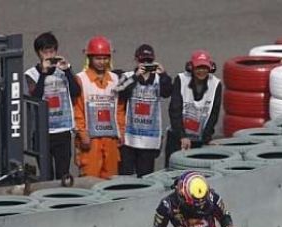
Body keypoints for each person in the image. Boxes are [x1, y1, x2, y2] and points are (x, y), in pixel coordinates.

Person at [25, 32, 81, 180]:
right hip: (42, 132)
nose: (49, 55)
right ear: (38, 53)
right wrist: (43, 74)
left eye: (52, 51)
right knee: (46, 176)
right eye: (45, 52)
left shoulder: (63, 71)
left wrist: (67, 70)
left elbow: (76, 91)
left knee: (63, 174)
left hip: (62, 130)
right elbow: (35, 97)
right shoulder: (32, 74)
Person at [73, 35, 126, 179]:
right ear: (89, 58)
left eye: (105, 58)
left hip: (111, 139)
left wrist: (121, 130)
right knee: (89, 179)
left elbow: (119, 108)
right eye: (98, 58)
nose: (102, 62)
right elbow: (77, 110)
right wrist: (82, 134)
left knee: (111, 181)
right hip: (90, 141)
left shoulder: (115, 79)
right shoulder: (80, 79)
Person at [116, 44, 172, 177]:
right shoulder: (128, 76)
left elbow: (168, 92)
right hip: (129, 138)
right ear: (136, 60)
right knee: (125, 176)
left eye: (149, 61)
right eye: (143, 61)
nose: (145, 64)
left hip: (149, 140)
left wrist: (163, 74)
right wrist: (135, 77)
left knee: (145, 179)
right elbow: (119, 92)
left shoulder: (159, 79)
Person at [166, 50, 222, 165]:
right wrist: (182, 136)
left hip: (199, 139)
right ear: (191, 67)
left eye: (204, 67)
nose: (201, 71)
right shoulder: (181, 80)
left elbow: (214, 114)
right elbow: (174, 110)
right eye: (198, 67)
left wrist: (207, 138)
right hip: (177, 137)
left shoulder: (216, 84)